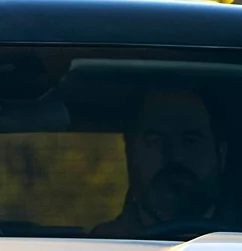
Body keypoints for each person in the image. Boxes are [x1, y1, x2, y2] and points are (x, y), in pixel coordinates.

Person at [92, 89, 228, 237]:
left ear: (221, 154)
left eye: (190, 141)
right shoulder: (100, 249)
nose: (175, 156)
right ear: (130, 154)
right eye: (156, 142)